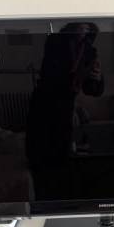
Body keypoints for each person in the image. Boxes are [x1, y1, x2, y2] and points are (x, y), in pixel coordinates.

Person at [26, 22, 104, 199]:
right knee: (39, 158)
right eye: (80, 25)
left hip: (66, 109)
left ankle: (62, 202)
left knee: (62, 161)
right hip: (43, 106)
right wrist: (79, 75)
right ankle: (42, 203)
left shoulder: (90, 50)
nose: (83, 29)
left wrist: (97, 78)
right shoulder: (55, 41)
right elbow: (52, 78)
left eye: (87, 26)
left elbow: (92, 90)